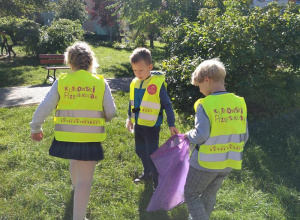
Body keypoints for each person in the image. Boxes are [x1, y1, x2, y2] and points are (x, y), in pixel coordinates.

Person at [30, 41, 116, 220]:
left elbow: (45, 105)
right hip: (90, 137)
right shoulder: (100, 83)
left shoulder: (62, 81)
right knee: (86, 181)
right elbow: (111, 111)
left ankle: (76, 189)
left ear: (69, 63)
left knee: (74, 160)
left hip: (66, 136)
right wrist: (105, 118)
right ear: (92, 62)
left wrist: (36, 126)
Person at [184, 59, 249, 220]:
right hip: (228, 161)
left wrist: (187, 135)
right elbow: (245, 136)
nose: (200, 90)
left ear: (207, 79)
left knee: (191, 195)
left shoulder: (205, 104)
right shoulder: (239, 102)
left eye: (199, 86)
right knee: (208, 196)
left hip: (206, 162)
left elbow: (201, 135)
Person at [126, 47, 179, 190]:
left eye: (141, 70)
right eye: (135, 70)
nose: (138, 74)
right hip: (139, 125)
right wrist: (129, 118)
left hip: (152, 126)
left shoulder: (157, 83)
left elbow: (167, 104)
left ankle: (158, 183)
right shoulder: (135, 82)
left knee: (152, 154)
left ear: (150, 67)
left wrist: (171, 123)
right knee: (140, 151)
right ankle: (147, 171)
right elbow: (132, 103)